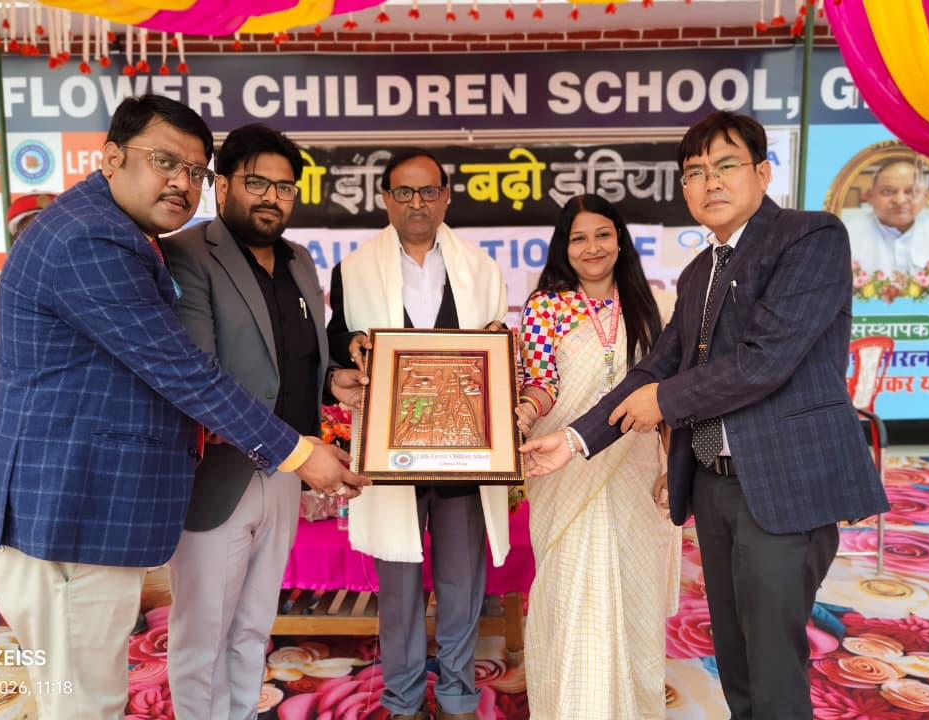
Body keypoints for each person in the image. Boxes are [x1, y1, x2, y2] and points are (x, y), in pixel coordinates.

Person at [0, 96, 366, 720]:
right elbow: (186, 373)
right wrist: (298, 452)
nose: (182, 183)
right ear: (111, 157)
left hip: (91, 509)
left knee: (96, 691)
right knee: (87, 702)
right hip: (69, 510)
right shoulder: (94, 240)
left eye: (193, 170)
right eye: (164, 162)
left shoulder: (124, 234)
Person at [520, 111, 890, 720]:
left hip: (782, 485)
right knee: (737, 661)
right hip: (715, 485)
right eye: (695, 172)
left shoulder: (810, 238)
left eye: (726, 165)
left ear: (762, 173)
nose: (711, 182)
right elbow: (655, 367)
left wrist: (663, 402)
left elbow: (764, 361)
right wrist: (575, 439)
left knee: (773, 666)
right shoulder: (698, 272)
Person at [160, 124, 369, 720]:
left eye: (285, 187)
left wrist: (333, 382)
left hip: (284, 473)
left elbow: (298, 357)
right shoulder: (187, 254)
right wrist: (295, 450)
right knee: (204, 633)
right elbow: (199, 377)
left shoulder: (299, 260)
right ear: (223, 185)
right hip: (217, 475)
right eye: (257, 183)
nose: (272, 198)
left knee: (253, 626)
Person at [327, 148, 509, 720]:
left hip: (464, 455)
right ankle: (403, 699)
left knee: (462, 582)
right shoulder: (353, 269)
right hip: (391, 454)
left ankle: (456, 695)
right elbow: (336, 340)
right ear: (385, 199)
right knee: (399, 585)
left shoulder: (481, 269)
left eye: (428, 191)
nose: (416, 203)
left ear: (446, 197)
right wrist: (352, 347)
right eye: (403, 192)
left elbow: (497, 348)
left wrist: (498, 342)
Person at [516, 194, 679, 719]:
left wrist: (671, 467)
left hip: (636, 465)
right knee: (570, 587)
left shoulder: (652, 305)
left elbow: (668, 394)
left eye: (603, 235)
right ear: (564, 248)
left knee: (634, 589)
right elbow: (541, 381)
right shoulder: (546, 307)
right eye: (579, 238)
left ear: (620, 241)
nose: (592, 247)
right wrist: (525, 411)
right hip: (563, 463)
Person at [0, 192, 57, 377]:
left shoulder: (85, 278)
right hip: (29, 391)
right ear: (17, 240)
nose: (39, 241)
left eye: (49, 231)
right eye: (30, 233)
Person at [843, 158, 929, 276]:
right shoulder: (845, 236)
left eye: (911, 192)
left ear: (926, 197)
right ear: (870, 196)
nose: (900, 201)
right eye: (887, 192)